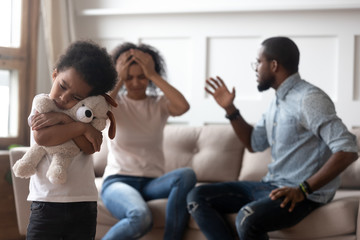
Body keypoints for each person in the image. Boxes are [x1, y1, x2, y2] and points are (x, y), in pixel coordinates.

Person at [186, 36, 358, 240]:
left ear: (274, 65)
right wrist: (230, 109)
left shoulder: (309, 98)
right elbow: (253, 143)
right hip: (270, 186)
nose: (256, 69)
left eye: (258, 62)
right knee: (197, 197)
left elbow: (348, 150)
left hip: (303, 194)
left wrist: (303, 189)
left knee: (247, 218)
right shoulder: (275, 102)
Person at [101, 42, 197, 240]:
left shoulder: (159, 104)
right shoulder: (114, 105)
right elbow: (97, 113)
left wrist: (152, 73)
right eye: (129, 78)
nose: (136, 82)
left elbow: (183, 106)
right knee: (141, 217)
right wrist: (118, 78)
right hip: (119, 181)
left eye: (142, 76)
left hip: (152, 183)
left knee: (186, 175)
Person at [24, 40, 117, 240]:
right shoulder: (42, 103)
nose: (64, 98)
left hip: (84, 202)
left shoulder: (88, 114)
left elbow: (89, 147)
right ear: (55, 74)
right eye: (62, 86)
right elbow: (43, 137)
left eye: (76, 97)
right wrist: (80, 128)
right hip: (46, 202)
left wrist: (65, 120)